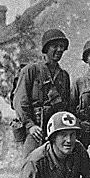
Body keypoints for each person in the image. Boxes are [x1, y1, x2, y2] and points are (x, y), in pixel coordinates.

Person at [13, 29, 72, 158]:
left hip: (56, 131)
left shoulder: (64, 76)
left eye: (62, 46)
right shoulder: (31, 70)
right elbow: (20, 101)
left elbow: (66, 106)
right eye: (54, 46)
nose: (59, 50)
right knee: (31, 166)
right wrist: (30, 126)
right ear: (46, 48)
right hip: (36, 129)